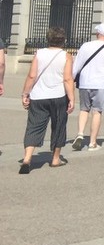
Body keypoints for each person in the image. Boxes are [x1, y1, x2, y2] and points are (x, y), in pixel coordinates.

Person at [19, 26, 74, 173]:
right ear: (63, 41)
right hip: (58, 96)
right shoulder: (66, 56)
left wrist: (25, 94)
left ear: (48, 39)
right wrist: (72, 98)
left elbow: (32, 76)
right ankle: (55, 159)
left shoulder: (39, 54)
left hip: (38, 96)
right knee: (59, 126)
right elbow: (68, 79)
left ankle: (27, 159)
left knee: (34, 126)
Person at [71, 23, 104, 152]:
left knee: (84, 109)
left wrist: (72, 77)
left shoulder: (86, 46)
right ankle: (92, 143)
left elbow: (77, 64)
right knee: (97, 112)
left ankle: (80, 133)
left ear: (97, 33)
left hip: (85, 82)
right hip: (101, 84)